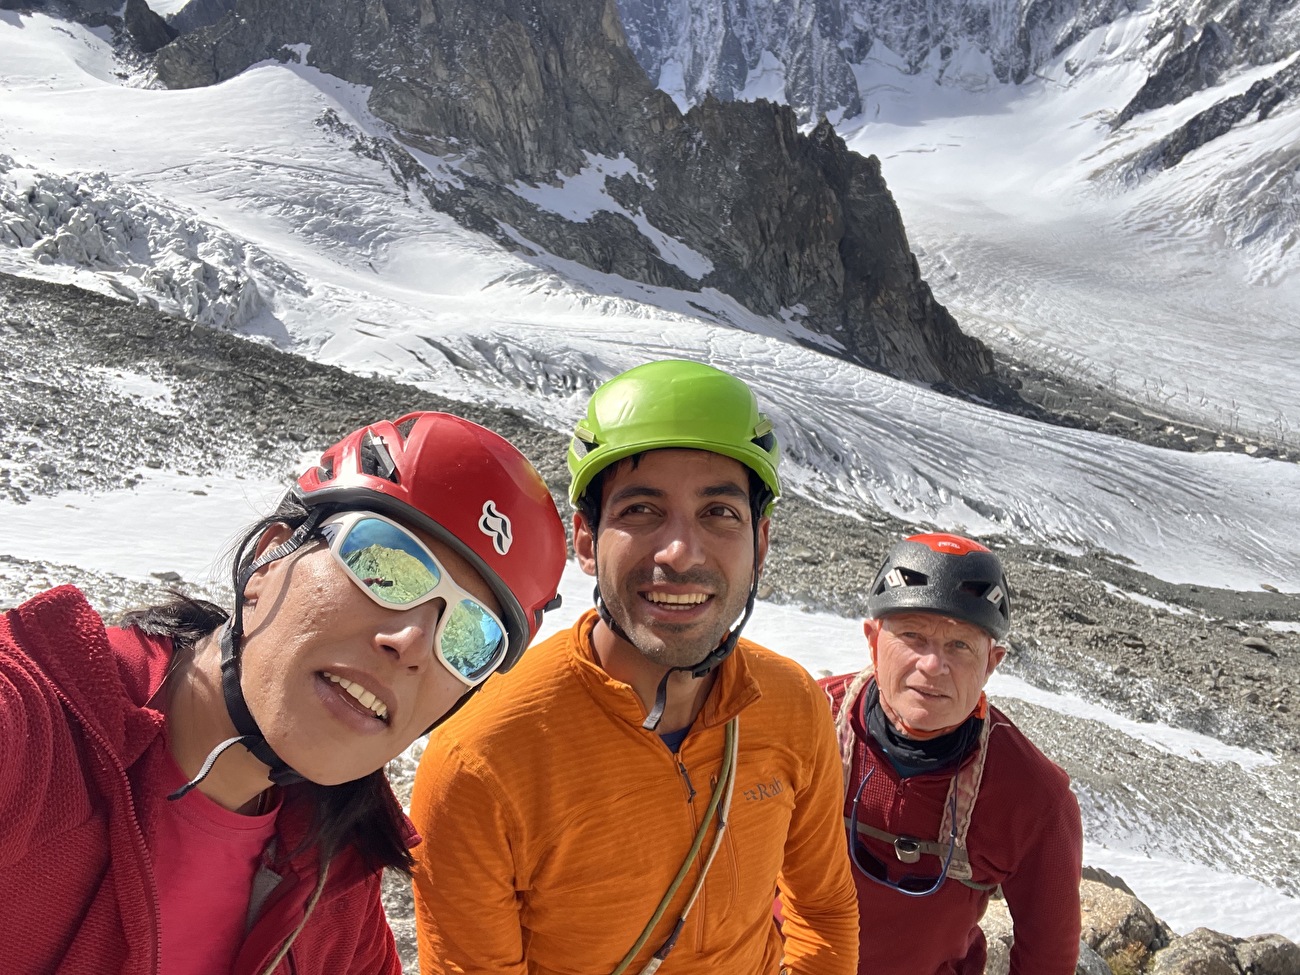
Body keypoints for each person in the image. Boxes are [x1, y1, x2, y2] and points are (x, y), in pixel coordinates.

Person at [0, 412, 566, 975]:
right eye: (386, 566)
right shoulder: (35, 728)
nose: (412, 642)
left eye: (471, 637)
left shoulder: (337, 895)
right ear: (271, 556)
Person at [409, 359, 859, 975]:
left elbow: (825, 908)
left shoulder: (791, 703)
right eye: (642, 511)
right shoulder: (483, 758)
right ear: (588, 542)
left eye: (719, 513)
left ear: (762, 542)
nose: (680, 552)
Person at [821, 532, 1083, 974]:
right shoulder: (806, 721)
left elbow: (1049, 956)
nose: (932, 665)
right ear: (872, 639)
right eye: (912, 635)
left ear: (991, 662)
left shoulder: (1034, 798)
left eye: (959, 645)